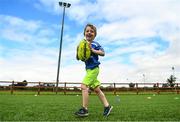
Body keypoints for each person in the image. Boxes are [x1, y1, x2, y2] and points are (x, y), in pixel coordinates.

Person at [75, 23, 113, 117]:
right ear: (84, 33)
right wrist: (78, 52)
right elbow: (79, 57)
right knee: (97, 90)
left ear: (95, 34)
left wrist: (93, 50)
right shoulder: (82, 44)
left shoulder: (95, 44)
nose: (89, 32)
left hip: (94, 69)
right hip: (88, 70)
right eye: (87, 31)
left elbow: (103, 53)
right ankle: (107, 106)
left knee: (83, 86)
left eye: (92, 31)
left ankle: (85, 109)